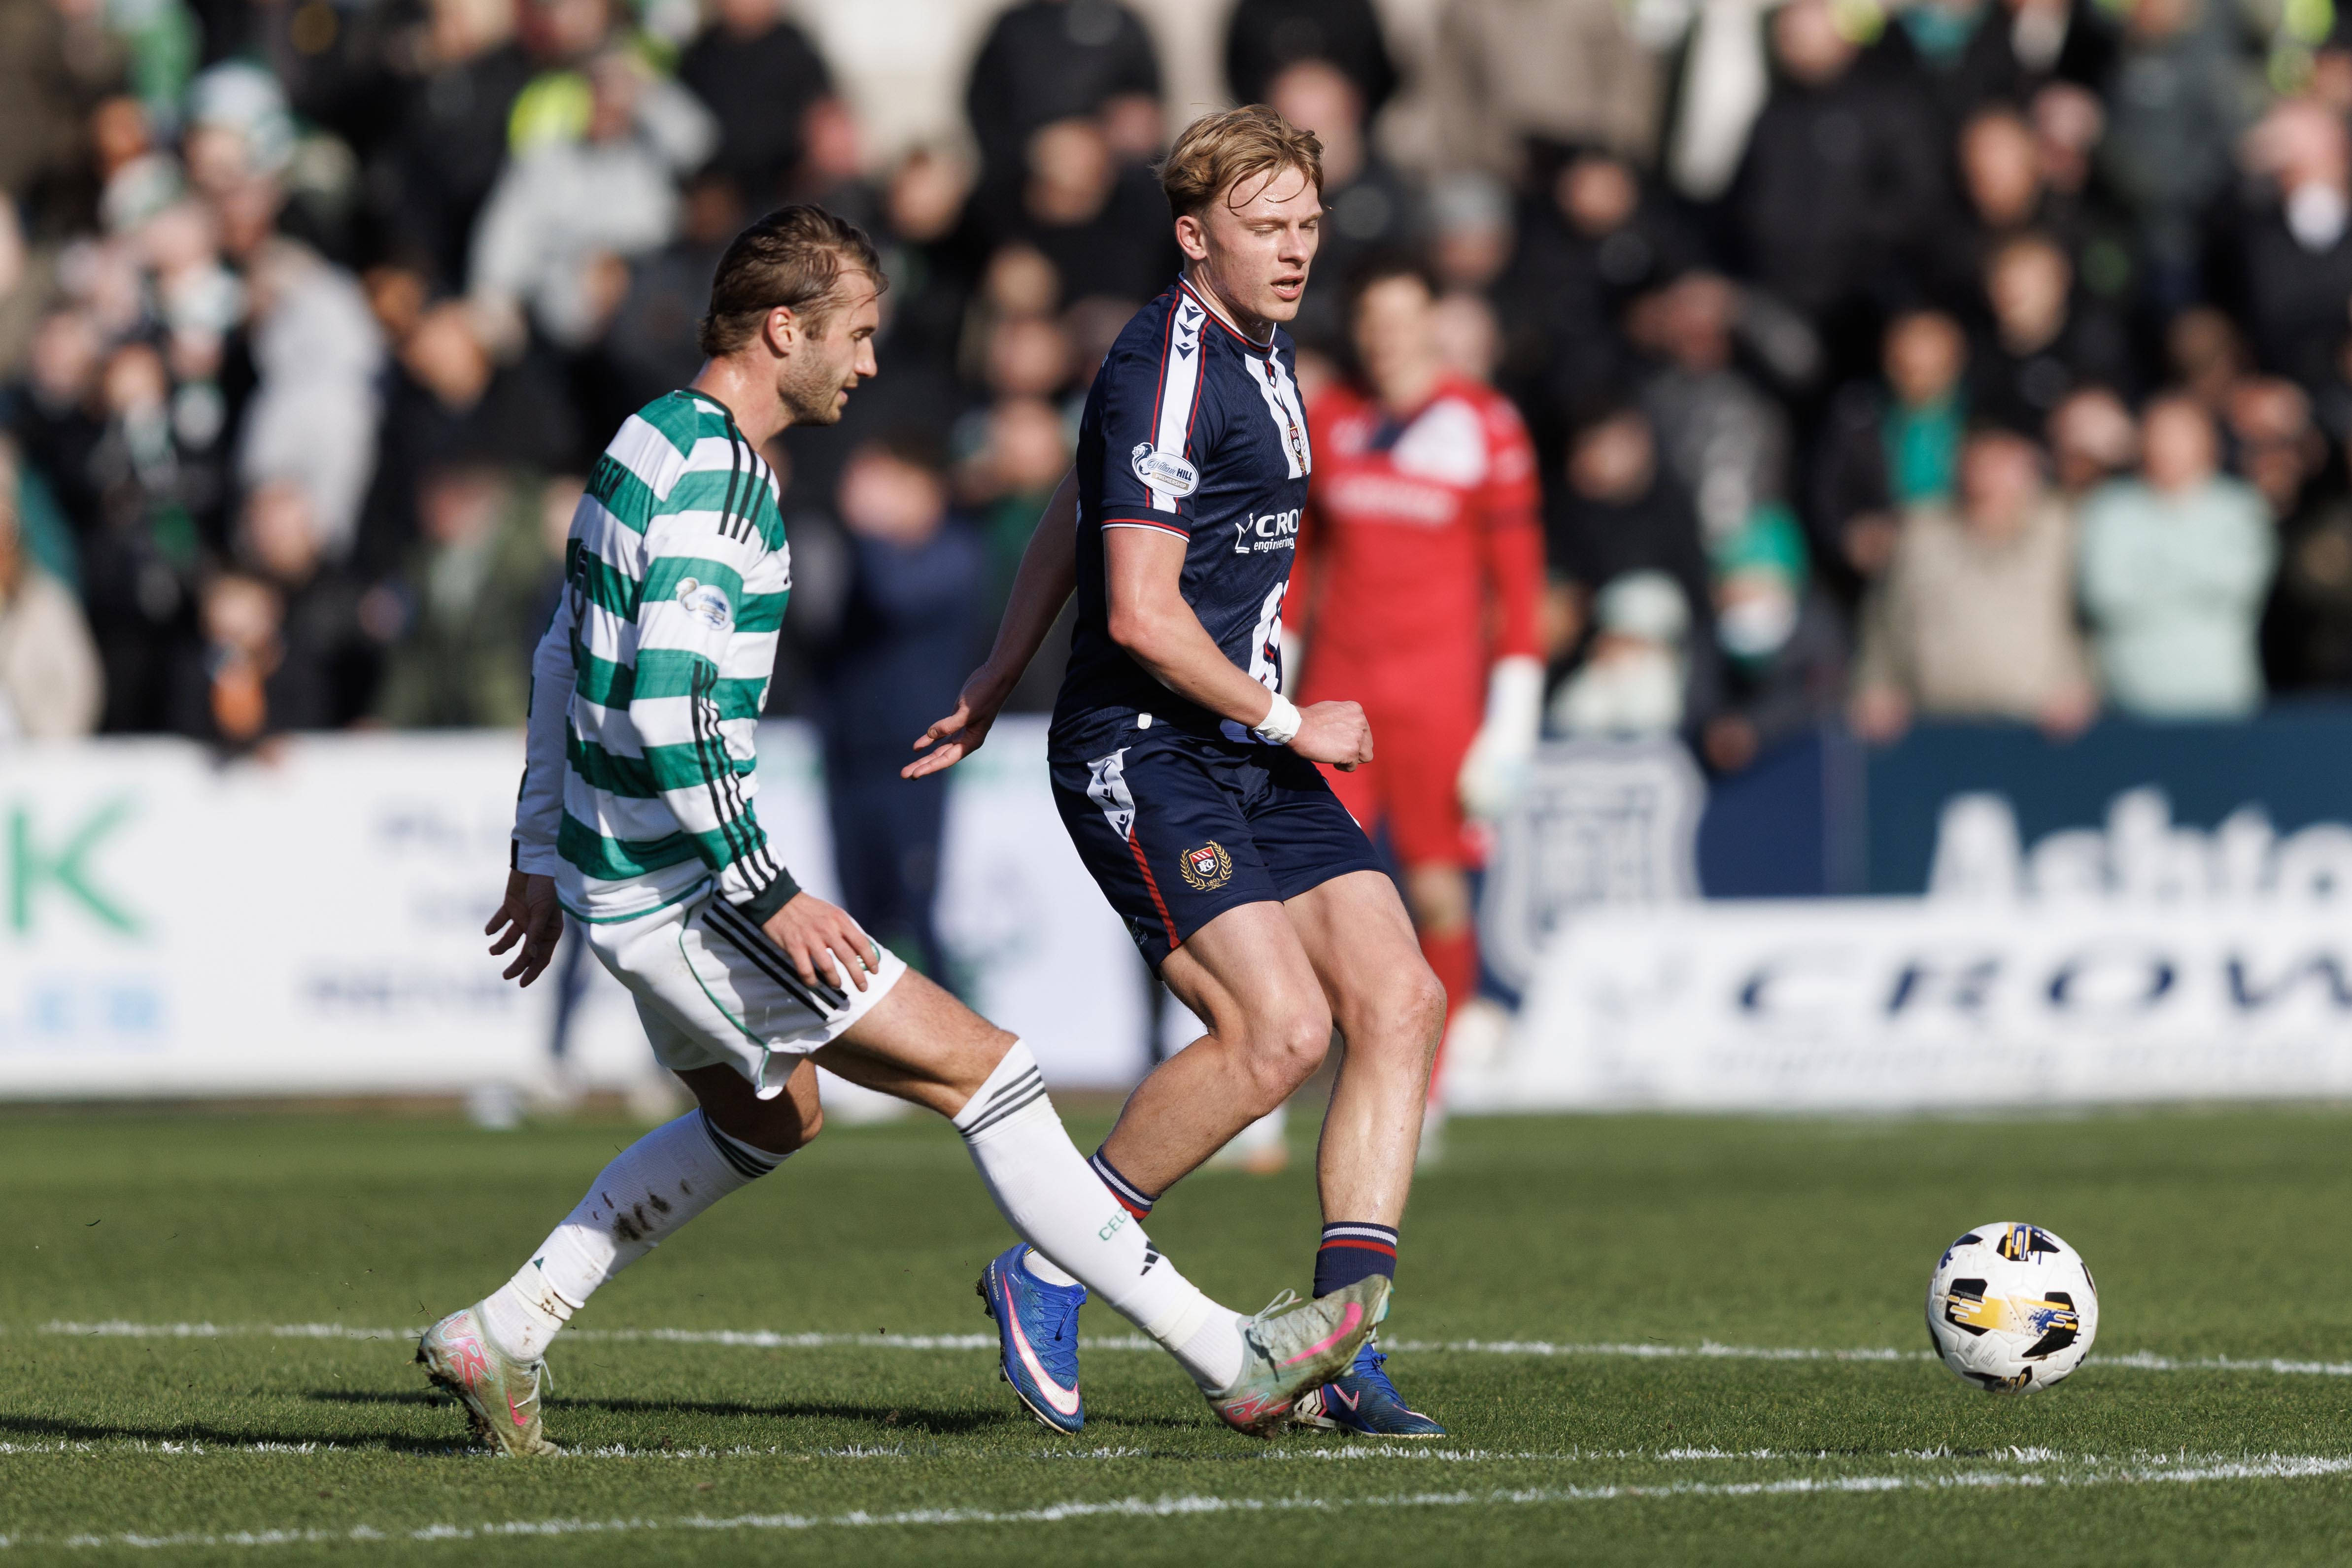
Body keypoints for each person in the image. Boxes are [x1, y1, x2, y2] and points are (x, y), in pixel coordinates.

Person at [417, 205, 1382, 1456]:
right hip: (689, 888)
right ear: (781, 329)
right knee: (991, 1073)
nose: (870, 363)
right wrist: (764, 892)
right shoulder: (722, 480)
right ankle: (1229, 1358)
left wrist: (540, 848)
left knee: (772, 1120)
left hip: (620, 878)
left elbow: (563, 653)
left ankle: (507, 1326)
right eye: (855, 335)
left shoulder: (640, 442)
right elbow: (661, 700)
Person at [904, 109, 1452, 1438]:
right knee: (1276, 1033)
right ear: (1193, 234)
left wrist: (993, 666)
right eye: (1266, 227)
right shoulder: (1165, 360)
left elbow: (1073, 508)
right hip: (1144, 748)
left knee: (1402, 999)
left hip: (1239, 744)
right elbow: (1143, 612)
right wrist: (1288, 714)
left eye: (1309, 225)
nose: (1295, 250)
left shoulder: (1264, 361)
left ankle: (1340, 1349)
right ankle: (1047, 1261)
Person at [1291, 257, 1543, 1117]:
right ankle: (1297, 1067)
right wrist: (1274, 678)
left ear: (1434, 323)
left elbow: (1517, 586)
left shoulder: (1488, 426)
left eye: (1404, 316)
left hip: (1440, 700)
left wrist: (1510, 724)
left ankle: (1422, 1093)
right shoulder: (1329, 419)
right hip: (1337, 697)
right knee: (1306, 893)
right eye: (1374, 318)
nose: (1388, 336)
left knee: (1435, 888)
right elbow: (1297, 565)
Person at [2076, 393, 2274, 717]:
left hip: (2222, 701)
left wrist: (2149, 581)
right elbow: (2105, 597)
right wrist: (2195, 585)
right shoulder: (2109, 509)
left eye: (2181, 434)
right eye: (2158, 434)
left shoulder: (2240, 507)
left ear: (2208, 441)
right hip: (2128, 703)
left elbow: (2237, 590)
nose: (2168, 446)